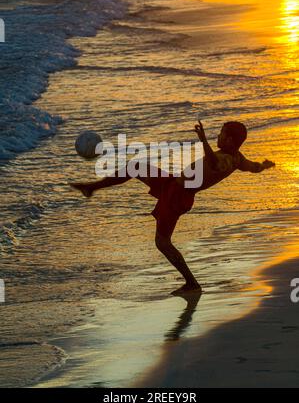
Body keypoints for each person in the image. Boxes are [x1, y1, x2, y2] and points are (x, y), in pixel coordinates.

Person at [70, 121, 275, 295]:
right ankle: (91, 187)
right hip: (171, 183)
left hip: (178, 197)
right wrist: (264, 165)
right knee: (135, 166)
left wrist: (203, 139)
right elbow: (254, 168)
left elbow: (213, 162)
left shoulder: (226, 160)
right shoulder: (239, 159)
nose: (218, 136)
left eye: (221, 134)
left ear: (230, 140)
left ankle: (192, 283)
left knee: (162, 242)